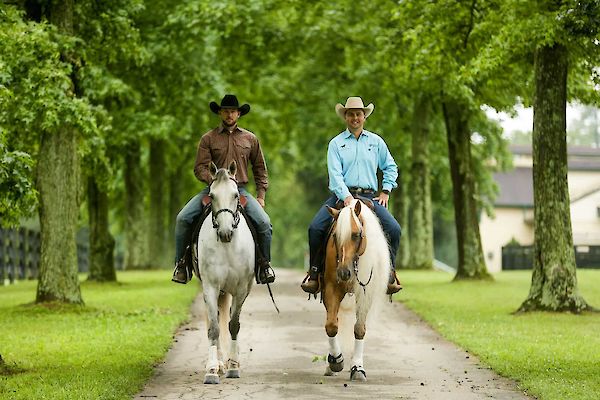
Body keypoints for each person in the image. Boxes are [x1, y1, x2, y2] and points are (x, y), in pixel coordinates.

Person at [301, 96, 402, 295]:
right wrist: (346, 196)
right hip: (342, 197)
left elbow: (390, 167)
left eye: (358, 114)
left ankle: (389, 273)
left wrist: (386, 190)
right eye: (351, 114)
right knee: (315, 228)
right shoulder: (336, 144)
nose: (355, 118)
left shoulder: (376, 142)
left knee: (394, 229)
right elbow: (335, 174)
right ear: (345, 117)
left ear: (364, 117)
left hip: (369, 197)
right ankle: (314, 273)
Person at [172, 94, 275, 284]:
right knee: (183, 218)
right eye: (226, 111)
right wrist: (213, 180)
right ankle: (181, 264)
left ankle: (264, 265)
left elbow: (260, 169)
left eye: (233, 111)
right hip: (214, 190)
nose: (229, 115)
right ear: (220, 112)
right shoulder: (208, 139)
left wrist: (261, 196)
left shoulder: (250, 139)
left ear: (238, 114)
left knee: (264, 223)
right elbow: (199, 167)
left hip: (240, 191)